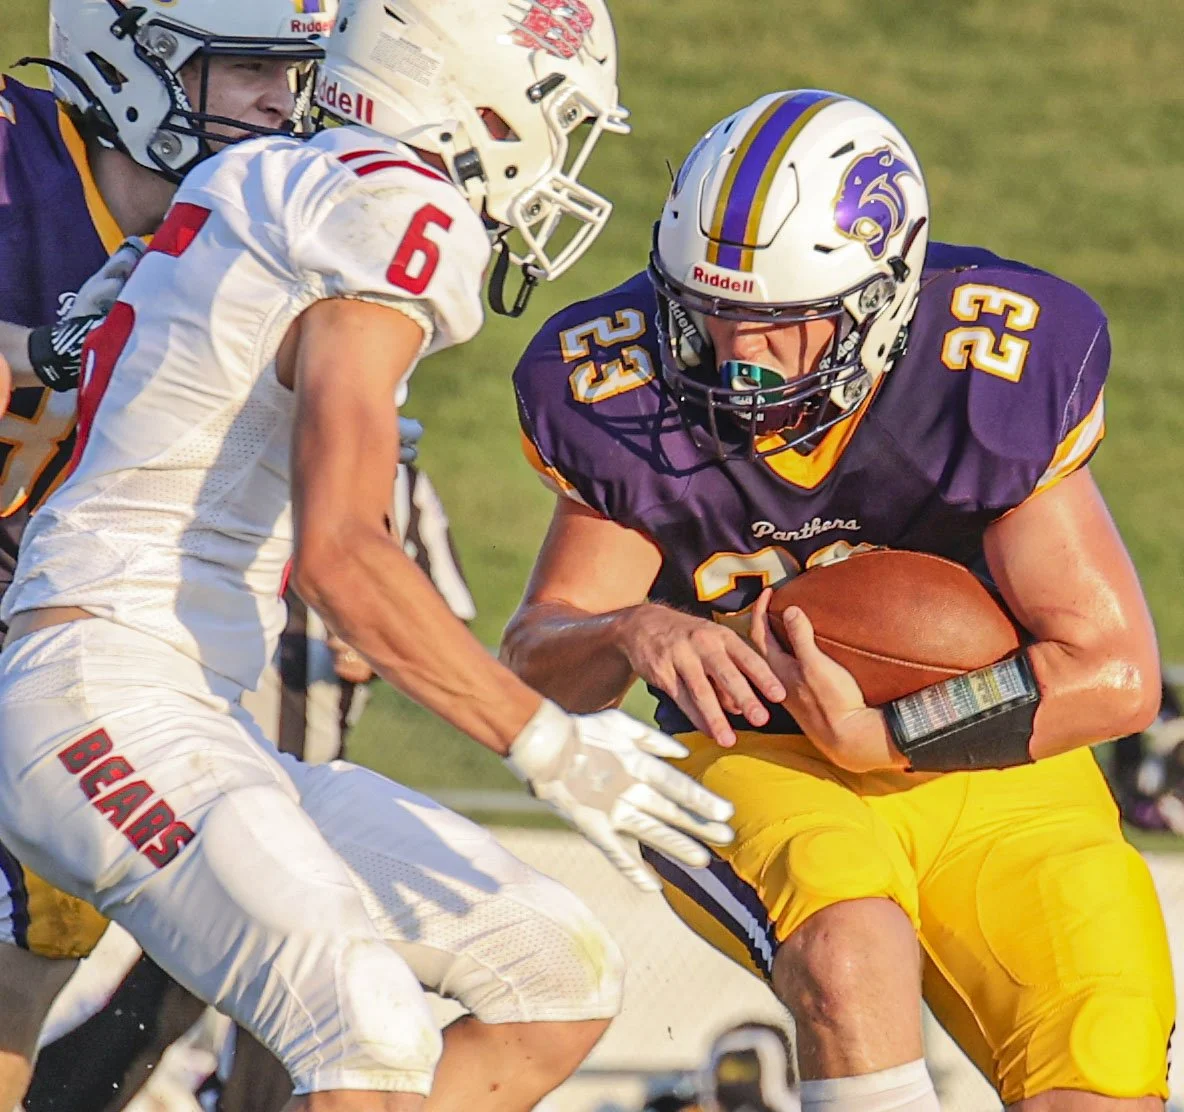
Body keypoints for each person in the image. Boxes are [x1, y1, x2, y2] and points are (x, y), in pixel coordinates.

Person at [0, 3, 735, 1112]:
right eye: (557, 120)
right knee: (367, 1023)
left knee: (555, 970)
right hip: (99, 686)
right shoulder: (386, 208)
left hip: (192, 708)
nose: (555, 163)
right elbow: (344, 552)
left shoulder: (278, 182)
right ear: (477, 99)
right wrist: (549, 743)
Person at [503, 89, 1175, 1110]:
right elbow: (537, 659)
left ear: (881, 295)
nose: (735, 353)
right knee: (845, 947)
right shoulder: (625, 387)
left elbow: (1110, 674)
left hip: (988, 751)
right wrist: (631, 628)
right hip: (753, 752)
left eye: (775, 324)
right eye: (707, 309)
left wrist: (888, 731)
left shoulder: (982, 367)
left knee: (1099, 1038)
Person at [0, 1, 334, 1103]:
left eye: (293, 72)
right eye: (244, 66)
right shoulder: (12, 160)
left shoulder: (273, 221)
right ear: (128, 57)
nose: (278, 103)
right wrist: (35, 355)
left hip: (67, 625)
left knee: (42, 921)